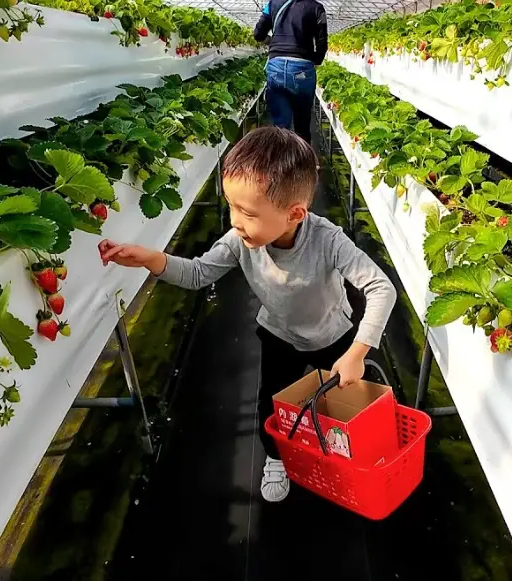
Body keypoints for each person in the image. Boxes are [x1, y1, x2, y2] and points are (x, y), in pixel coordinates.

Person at [97, 127, 396, 503]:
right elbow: (197, 273)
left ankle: (351, 456)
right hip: (278, 335)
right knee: (270, 402)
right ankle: (275, 457)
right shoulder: (240, 239)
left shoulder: (328, 240)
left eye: (248, 212)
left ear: (295, 214)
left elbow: (381, 287)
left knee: (346, 398)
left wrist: (356, 352)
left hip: (331, 336)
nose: (235, 221)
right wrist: (152, 260)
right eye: (233, 207)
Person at [253, 0, 328, 143]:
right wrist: (315, 61)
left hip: (276, 66)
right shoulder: (317, 8)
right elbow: (322, 42)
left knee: (280, 126)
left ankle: (281, 162)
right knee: (303, 124)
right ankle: (305, 161)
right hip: (302, 68)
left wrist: (271, 42)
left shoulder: (272, 4)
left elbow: (258, 34)